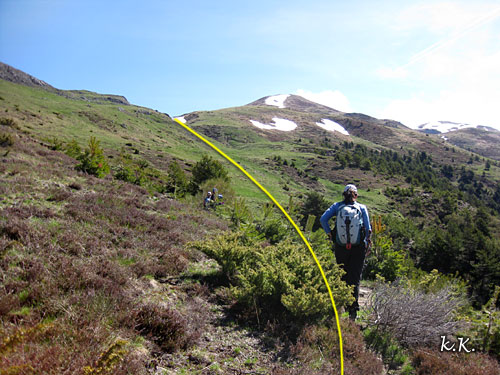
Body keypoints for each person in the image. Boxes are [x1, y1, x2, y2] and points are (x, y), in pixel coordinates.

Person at [320, 184, 372, 321]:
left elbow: (323, 219)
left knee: (342, 273)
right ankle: (353, 310)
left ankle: (340, 305)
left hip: (341, 246)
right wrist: (367, 242)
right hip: (358, 247)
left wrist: (330, 234)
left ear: (344, 194)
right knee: (354, 277)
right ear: (356, 195)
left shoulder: (337, 206)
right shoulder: (362, 208)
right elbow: (368, 229)